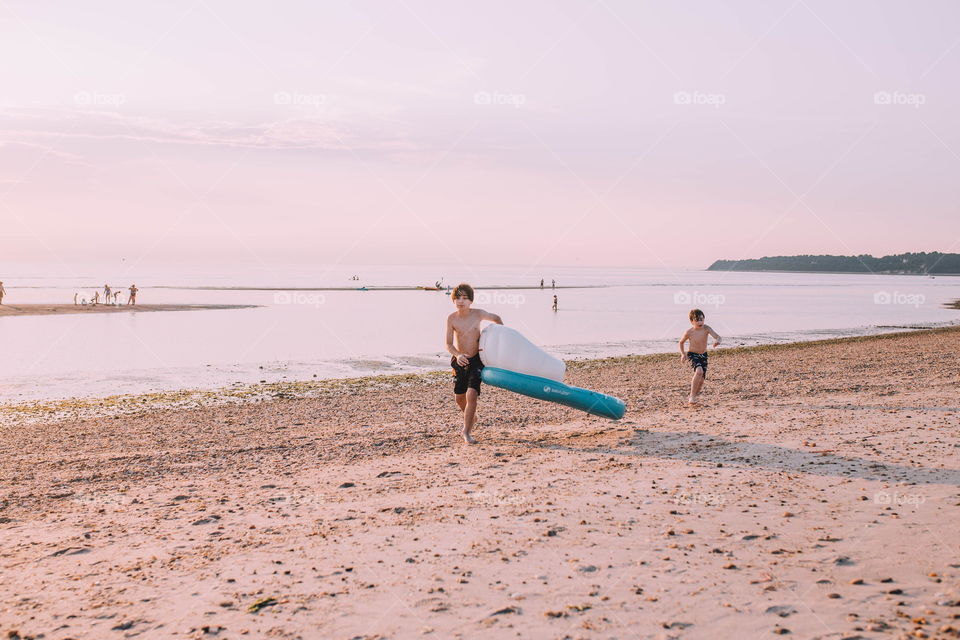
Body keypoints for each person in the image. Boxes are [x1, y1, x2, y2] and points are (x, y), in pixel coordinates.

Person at [445, 283, 503, 444]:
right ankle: (471, 416)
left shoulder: (478, 314)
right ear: (453, 300)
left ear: (471, 301)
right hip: (460, 360)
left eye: (465, 298)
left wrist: (500, 338)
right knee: (459, 398)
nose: (461, 301)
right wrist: (457, 355)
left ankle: (466, 431)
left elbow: (496, 319)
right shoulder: (451, 318)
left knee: (472, 394)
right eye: (458, 297)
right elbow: (449, 344)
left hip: (477, 359)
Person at [678, 308, 721, 406]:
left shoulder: (706, 328)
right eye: (697, 320)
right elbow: (681, 342)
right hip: (693, 354)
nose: (700, 322)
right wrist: (683, 354)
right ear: (692, 321)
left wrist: (718, 341)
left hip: (704, 355)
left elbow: (718, 336)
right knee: (699, 371)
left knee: (701, 380)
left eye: (701, 319)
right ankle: (692, 397)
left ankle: (694, 397)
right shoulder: (689, 332)